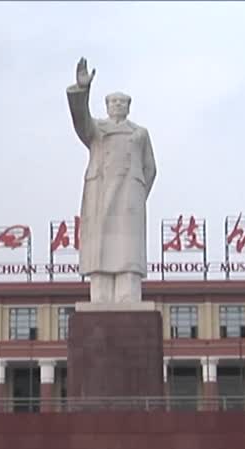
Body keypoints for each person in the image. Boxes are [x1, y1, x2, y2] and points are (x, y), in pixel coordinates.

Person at [66, 56, 157, 305]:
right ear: (106, 106)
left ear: (129, 106)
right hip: (101, 192)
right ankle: (101, 297)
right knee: (100, 254)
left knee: (128, 255)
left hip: (129, 199)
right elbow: (80, 120)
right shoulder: (97, 130)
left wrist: (137, 192)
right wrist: (82, 89)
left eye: (122, 102)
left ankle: (128, 297)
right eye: (113, 102)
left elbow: (150, 168)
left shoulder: (139, 133)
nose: (117, 105)